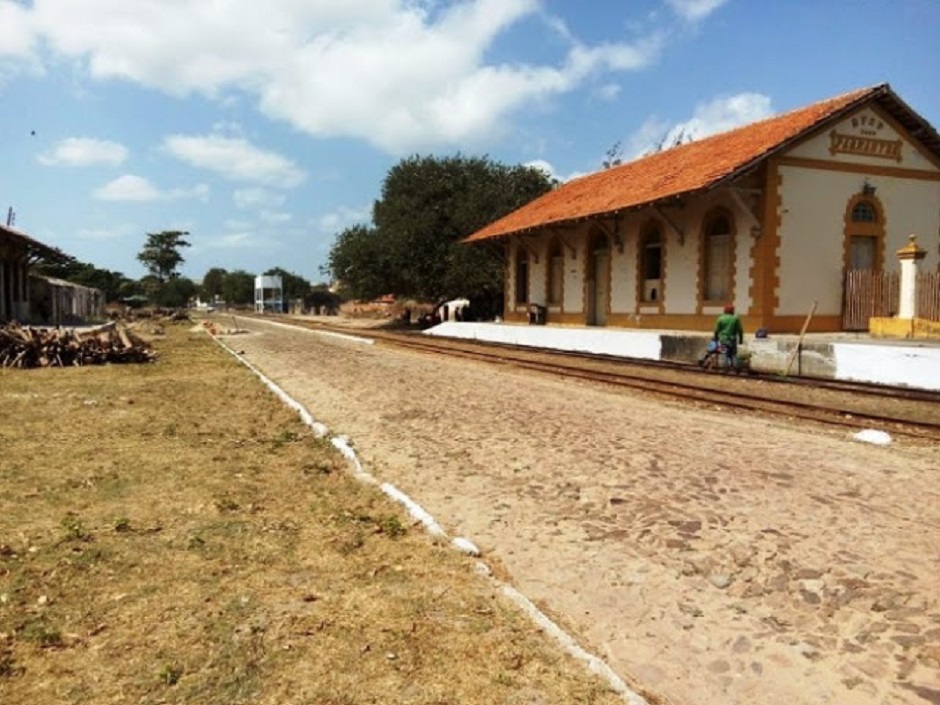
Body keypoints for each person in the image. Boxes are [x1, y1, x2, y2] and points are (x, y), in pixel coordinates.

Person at [713, 304, 744, 371]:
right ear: (732, 311)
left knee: (724, 354)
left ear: (725, 310)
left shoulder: (720, 318)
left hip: (723, 340)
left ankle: (724, 368)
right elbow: (740, 330)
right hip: (732, 340)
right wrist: (741, 340)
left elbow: (716, 330)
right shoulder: (735, 319)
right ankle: (736, 368)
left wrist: (715, 339)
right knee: (733, 354)